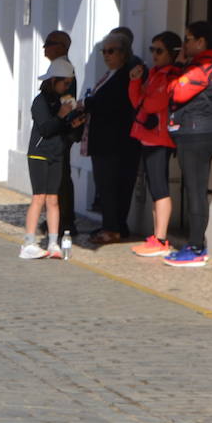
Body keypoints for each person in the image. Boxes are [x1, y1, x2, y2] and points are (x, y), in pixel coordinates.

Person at [164, 22, 212, 267]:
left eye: (188, 39)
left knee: (195, 190)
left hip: (197, 133)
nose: (184, 44)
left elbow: (175, 92)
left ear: (201, 42)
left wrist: (177, 69)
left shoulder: (204, 67)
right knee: (195, 189)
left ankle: (196, 247)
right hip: (203, 131)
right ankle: (195, 244)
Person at [22, 57, 84, 259]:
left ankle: (53, 242)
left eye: (69, 83)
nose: (67, 87)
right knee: (38, 198)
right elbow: (46, 128)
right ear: (53, 80)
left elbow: (63, 132)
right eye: (65, 82)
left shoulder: (62, 101)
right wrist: (61, 115)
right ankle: (29, 243)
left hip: (57, 153)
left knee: (54, 200)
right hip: (39, 154)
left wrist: (74, 124)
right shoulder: (40, 102)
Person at [128, 32, 183, 258]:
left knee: (160, 189)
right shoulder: (154, 74)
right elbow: (137, 100)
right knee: (155, 189)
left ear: (172, 53)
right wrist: (134, 81)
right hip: (148, 137)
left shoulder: (171, 76)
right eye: (152, 49)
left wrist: (141, 98)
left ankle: (161, 239)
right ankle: (156, 236)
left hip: (160, 139)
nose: (154, 55)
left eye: (159, 50)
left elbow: (152, 104)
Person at [83, 30, 140, 244]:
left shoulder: (126, 75)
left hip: (117, 142)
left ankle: (113, 228)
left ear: (123, 53)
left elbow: (112, 105)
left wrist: (88, 104)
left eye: (111, 51)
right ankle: (115, 226)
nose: (106, 55)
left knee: (112, 186)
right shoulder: (111, 75)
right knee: (108, 186)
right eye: (104, 51)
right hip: (107, 142)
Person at [43, 30, 79, 243]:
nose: (45, 47)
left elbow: (65, 99)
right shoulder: (57, 66)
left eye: (50, 43)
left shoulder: (65, 69)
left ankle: (66, 221)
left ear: (62, 46)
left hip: (61, 131)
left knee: (61, 177)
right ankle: (58, 219)